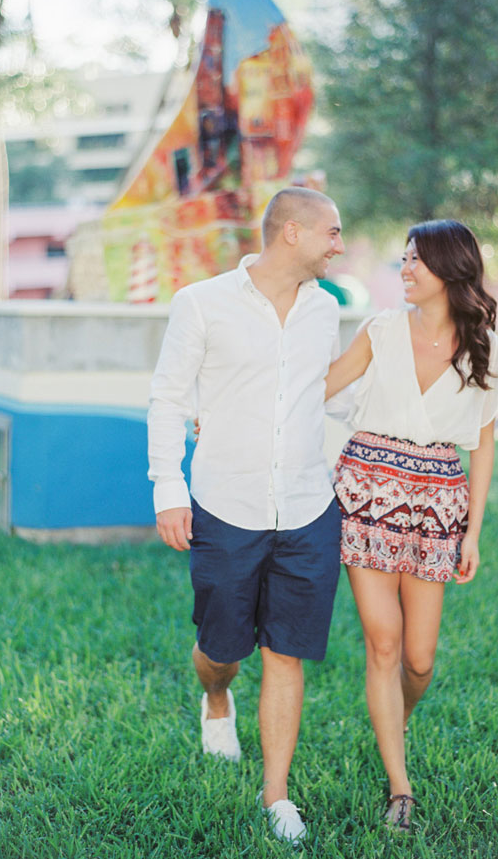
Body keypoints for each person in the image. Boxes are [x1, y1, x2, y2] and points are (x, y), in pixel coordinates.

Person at [147, 187, 346, 844]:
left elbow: (322, 397)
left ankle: (277, 794)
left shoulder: (325, 311)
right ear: (291, 232)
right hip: (225, 505)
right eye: (333, 233)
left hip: (308, 508)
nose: (339, 246)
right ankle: (214, 696)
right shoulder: (202, 302)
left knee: (286, 653)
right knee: (222, 649)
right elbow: (168, 398)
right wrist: (168, 487)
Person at [325, 219, 498, 834]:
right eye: (403, 259)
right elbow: (318, 386)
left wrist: (474, 532)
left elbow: (482, 448)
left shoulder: (485, 344)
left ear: (449, 268)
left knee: (420, 658)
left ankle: (394, 721)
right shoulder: (380, 330)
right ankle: (399, 784)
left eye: (415, 260)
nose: (403, 269)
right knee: (382, 642)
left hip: (438, 507)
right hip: (367, 495)